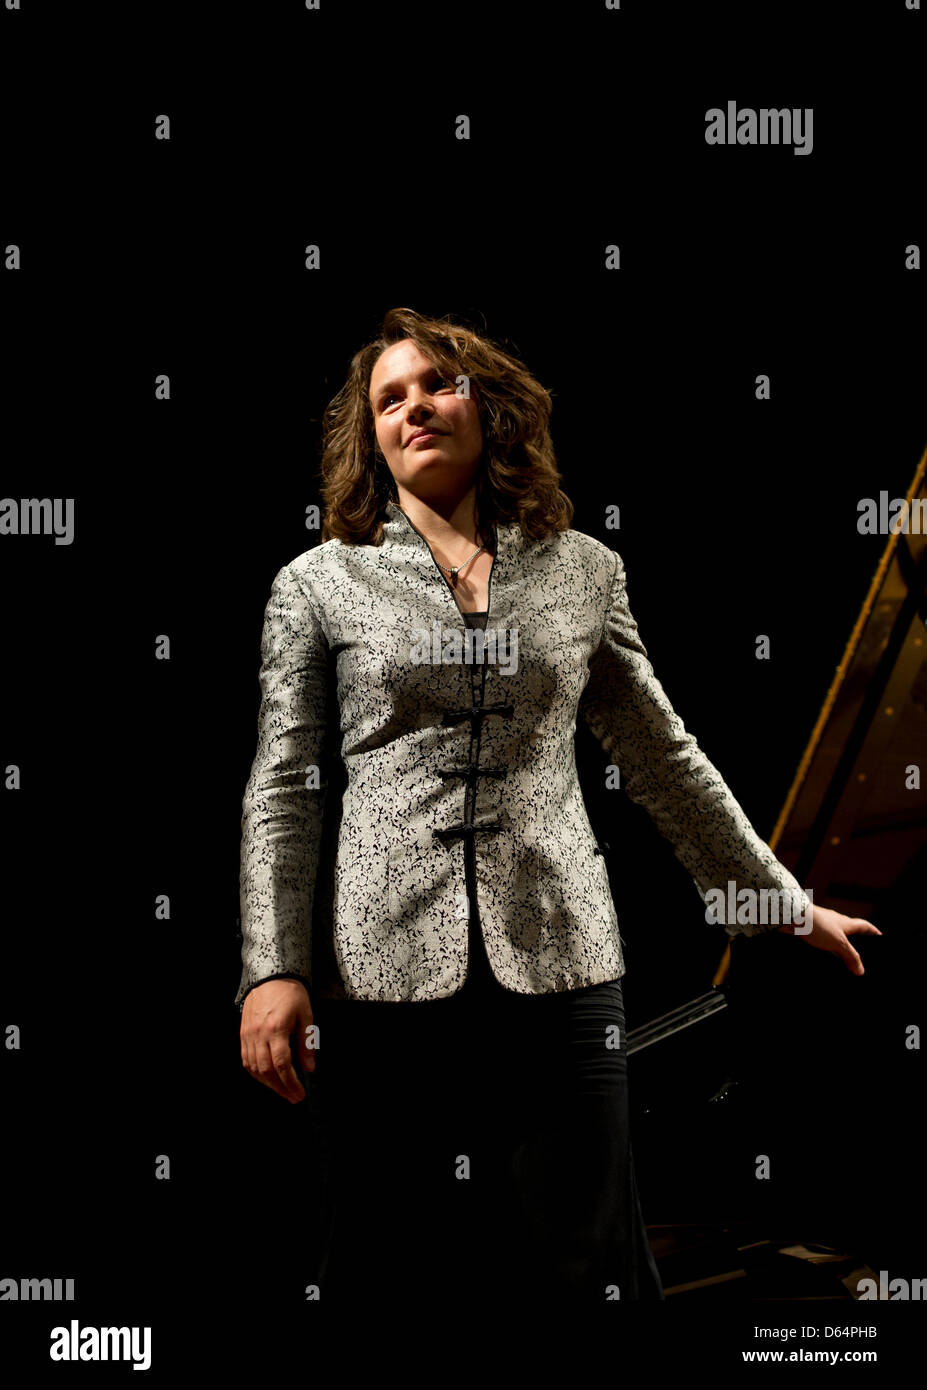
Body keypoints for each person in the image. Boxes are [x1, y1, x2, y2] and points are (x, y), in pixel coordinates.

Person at [236, 307, 881, 1308]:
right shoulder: (316, 584)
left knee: (591, 1274)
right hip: (378, 976)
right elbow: (283, 783)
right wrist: (272, 968)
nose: (415, 407)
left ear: (486, 406)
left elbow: (662, 755)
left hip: (560, 963)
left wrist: (779, 902)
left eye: (437, 384)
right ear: (368, 437)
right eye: (389, 398)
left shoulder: (584, 568)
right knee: (384, 1268)